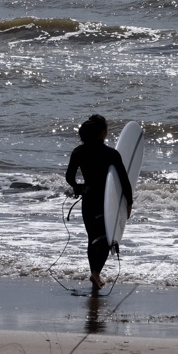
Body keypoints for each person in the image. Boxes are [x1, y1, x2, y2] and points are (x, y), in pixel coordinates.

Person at [65, 114, 133, 290]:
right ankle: (95, 273)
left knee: (92, 239)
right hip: (106, 202)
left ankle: (95, 274)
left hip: (88, 200)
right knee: (106, 239)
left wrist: (79, 188)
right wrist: (129, 202)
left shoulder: (79, 152)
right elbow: (125, 181)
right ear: (102, 132)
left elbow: (69, 177)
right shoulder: (111, 154)